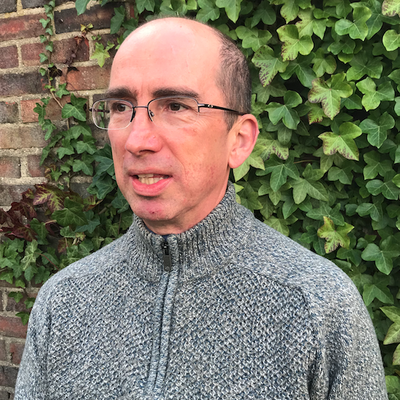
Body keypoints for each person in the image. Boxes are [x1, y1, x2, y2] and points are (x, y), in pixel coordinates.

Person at [15, 17, 387, 399]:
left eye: (176, 105)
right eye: (121, 106)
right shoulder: (64, 302)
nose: (137, 140)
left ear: (239, 140)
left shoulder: (318, 305)